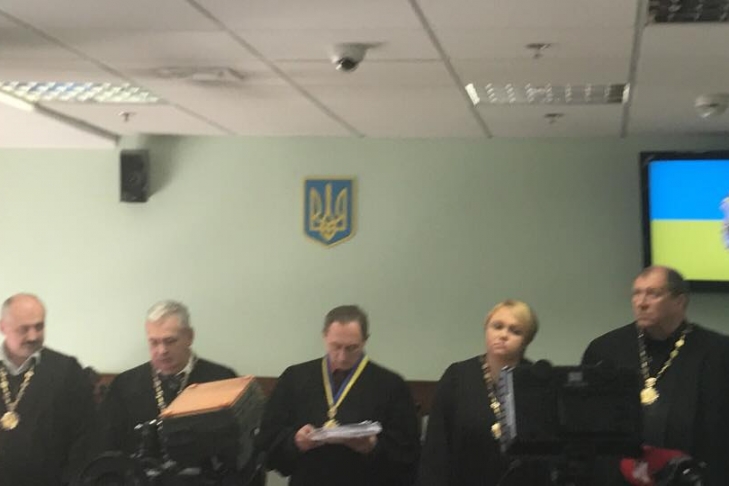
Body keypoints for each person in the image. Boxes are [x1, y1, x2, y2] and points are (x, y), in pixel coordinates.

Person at [582, 266, 729, 485]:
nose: (641, 302)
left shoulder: (718, 352)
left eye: (653, 294)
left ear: (679, 301)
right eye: (636, 293)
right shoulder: (605, 350)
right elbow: (588, 426)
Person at [95, 300, 261, 483]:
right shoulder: (125, 384)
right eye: (154, 342)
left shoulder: (221, 379)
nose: (162, 350)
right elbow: (106, 448)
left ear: (189, 337)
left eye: (170, 341)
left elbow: (242, 451)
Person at [256, 304, 420, 486]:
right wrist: (295, 442)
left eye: (352, 348)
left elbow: (408, 453)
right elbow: (267, 440)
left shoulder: (391, 385)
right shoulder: (294, 378)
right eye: (336, 346)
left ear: (365, 341)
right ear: (324, 336)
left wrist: (372, 447)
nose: (342, 357)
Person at [417, 299, 550, 486]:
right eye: (497, 326)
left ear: (526, 340)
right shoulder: (457, 377)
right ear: (486, 329)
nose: (503, 335)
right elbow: (436, 448)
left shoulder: (536, 381)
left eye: (515, 331)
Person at [0, 293, 96, 486]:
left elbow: (85, 438)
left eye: (39, 326)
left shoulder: (68, 371)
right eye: (24, 329)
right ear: (3, 327)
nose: (33, 336)